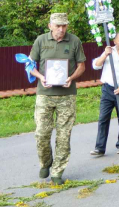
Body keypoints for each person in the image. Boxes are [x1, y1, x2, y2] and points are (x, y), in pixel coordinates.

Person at [29, 13, 86, 185]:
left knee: (63, 136)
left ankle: (57, 171)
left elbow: (81, 66)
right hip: (44, 94)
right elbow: (30, 65)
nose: (61, 29)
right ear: (50, 26)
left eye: (64, 26)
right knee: (41, 133)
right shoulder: (41, 41)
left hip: (67, 96)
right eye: (58, 26)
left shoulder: (74, 41)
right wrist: (40, 77)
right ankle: (46, 162)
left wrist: (72, 77)